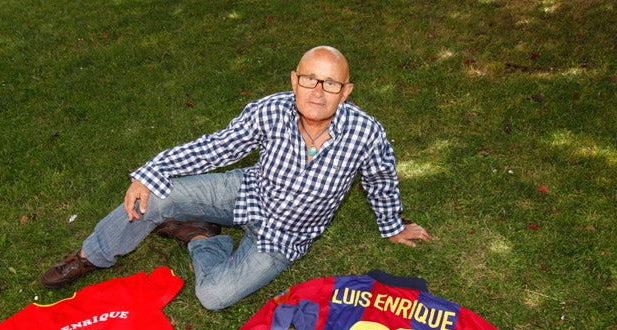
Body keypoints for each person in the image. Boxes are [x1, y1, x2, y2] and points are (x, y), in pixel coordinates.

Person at [40, 45, 431, 310]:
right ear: (295, 80)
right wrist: (151, 171)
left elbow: (380, 179)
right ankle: (91, 256)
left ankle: (199, 236)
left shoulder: (367, 133)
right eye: (310, 79)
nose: (317, 91)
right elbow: (217, 148)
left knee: (213, 296)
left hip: (283, 235)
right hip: (247, 191)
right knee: (154, 195)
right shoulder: (269, 111)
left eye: (330, 83)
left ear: (345, 91)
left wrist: (392, 225)